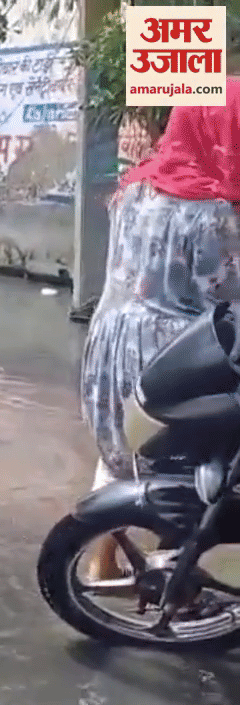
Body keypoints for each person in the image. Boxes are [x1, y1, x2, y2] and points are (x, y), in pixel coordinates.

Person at [82, 79, 240, 581]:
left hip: (109, 339)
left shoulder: (132, 190)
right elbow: (224, 297)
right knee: (186, 465)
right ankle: (174, 572)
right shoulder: (211, 211)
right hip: (169, 350)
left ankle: (101, 560)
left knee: (121, 448)